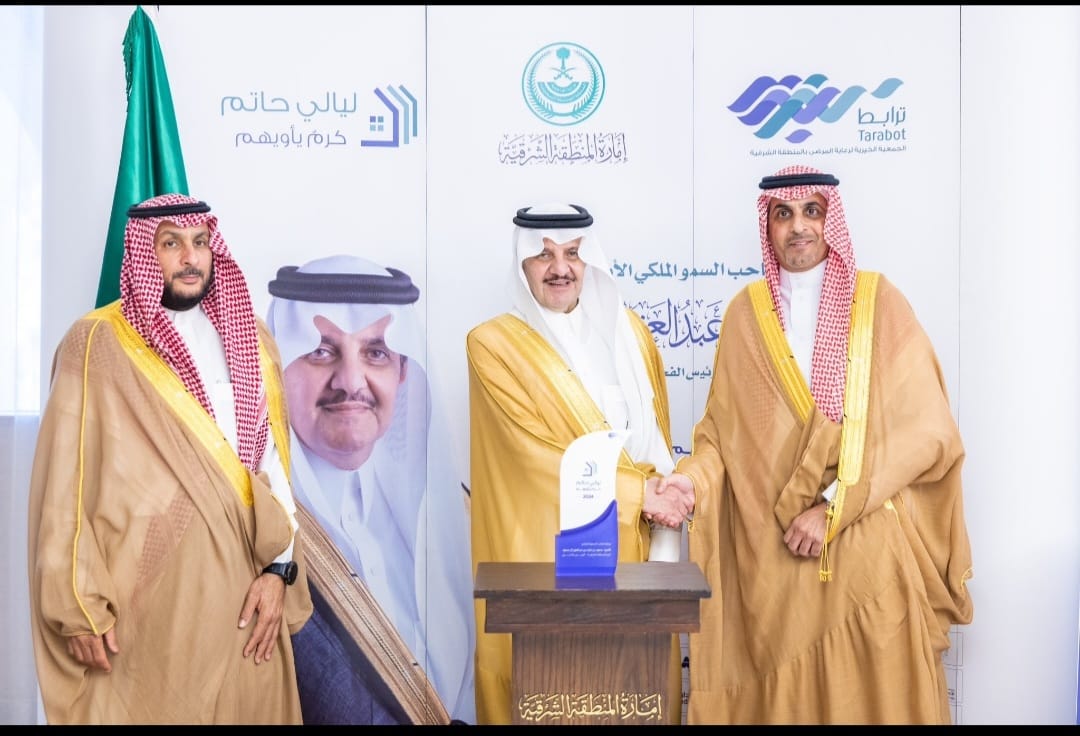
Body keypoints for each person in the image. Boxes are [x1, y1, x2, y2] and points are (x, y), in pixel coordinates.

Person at [656, 165, 974, 724]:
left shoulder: (878, 304)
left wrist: (831, 507)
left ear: (832, 221)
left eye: (812, 211)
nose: (798, 226)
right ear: (768, 226)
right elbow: (721, 438)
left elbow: (925, 431)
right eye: (783, 214)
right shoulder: (745, 315)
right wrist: (689, 482)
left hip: (863, 547)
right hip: (774, 564)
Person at [27, 193, 313, 724]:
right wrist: (78, 605)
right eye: (171, 244)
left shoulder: (251, 337)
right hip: (150, 609)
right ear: (143, 252)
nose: (190, 257)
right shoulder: (96, 343)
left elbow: (275, 469)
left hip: (248, 602)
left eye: (200, 242)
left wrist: (280, 571)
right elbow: (66, 485)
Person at [466, 202, 691, 725]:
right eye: (543, 255)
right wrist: (640, 494)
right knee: (554, 696)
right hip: (546, 566)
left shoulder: (630, 335)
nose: (559, 268)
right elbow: (532, 456)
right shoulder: (492, 345)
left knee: (631, 696)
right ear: (522, 265)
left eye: (571, 253)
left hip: (634, 560)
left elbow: (655, 442)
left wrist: (670, 493)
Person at [266, 255, 475, 725]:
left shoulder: (452, 514)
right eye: (321, 351)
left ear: (402, 372)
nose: (351, 382)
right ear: (278, 366)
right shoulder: (256, 534)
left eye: (376, 353)